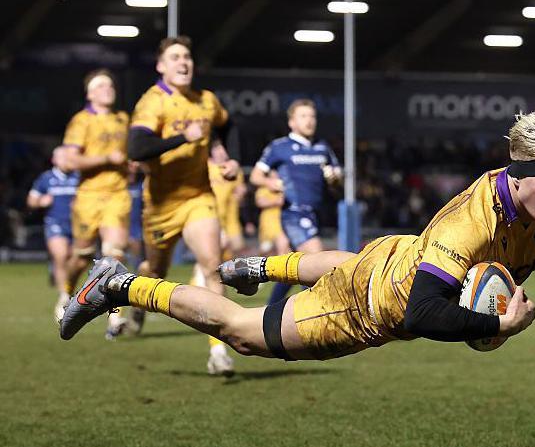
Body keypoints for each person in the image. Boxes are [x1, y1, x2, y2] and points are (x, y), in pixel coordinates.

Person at [60, 107, 535, 415]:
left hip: (392, 257)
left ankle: (261, 267)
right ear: (518, 173)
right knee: (241, 333)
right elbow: (422, 313)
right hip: (366, 308)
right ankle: (119, 286)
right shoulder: (470, 222)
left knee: (348, 262)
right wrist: (499, 324)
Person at [125, 35, 239, 375]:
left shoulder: (207, 100)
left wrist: (230, 158)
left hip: (198, 196)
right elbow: (136, 148)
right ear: (161, 66)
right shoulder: (153, 101)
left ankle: (218, 351)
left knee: (212, 265)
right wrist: (182, 138)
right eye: (175, 57)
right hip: (161, 205)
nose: (183, 62)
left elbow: (227, 125)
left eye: (187, 56)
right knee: (155, 272)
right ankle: (138, 305)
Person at [57, 69, 132, 337]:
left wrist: (131, 164)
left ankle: (115, 318)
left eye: (110, 85)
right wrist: (106, 159)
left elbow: (128, 154)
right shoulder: (81, 121)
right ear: (89, 94)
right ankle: (66, 292)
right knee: (82, 256)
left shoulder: (123, 119)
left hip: (117, 195)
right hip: (89, 197)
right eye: (101, 86)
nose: (107, 89)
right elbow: (70, 160)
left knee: (115, 253)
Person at [250, 99, 341, 305]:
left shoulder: (322, 147)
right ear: (291, 122)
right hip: (294, 213)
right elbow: (255, 176)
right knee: (316, 259)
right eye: (303, 116)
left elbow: (337, 179)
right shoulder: (279, 147)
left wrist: (335, 178)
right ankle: (310, 311)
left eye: (312, 116)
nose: (309, 121)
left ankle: (270, 309)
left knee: (294, 266)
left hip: (316, 213)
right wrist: (272, 183)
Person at [28, 147, 79, 321]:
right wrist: (41, 201)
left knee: (73, 259)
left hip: (77, 225)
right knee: (61, 255)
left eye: (68, 157)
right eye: (62, 157)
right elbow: (31, 200)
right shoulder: (46, 178)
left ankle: (62, 280)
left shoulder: (78, 176)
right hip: (55, 223)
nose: (66, 160)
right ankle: (64, 295)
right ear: (54, 160)